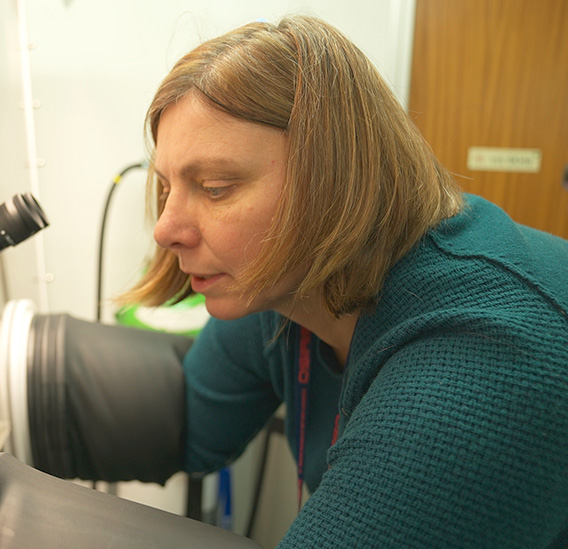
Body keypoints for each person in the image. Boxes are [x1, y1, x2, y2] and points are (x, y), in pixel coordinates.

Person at [122, 14, 568, 548]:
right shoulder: (281, 285)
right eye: (166, 187)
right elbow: (186, 428)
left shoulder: (486, 360)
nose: (165, 228)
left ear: (335, 180)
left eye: (215, 187)